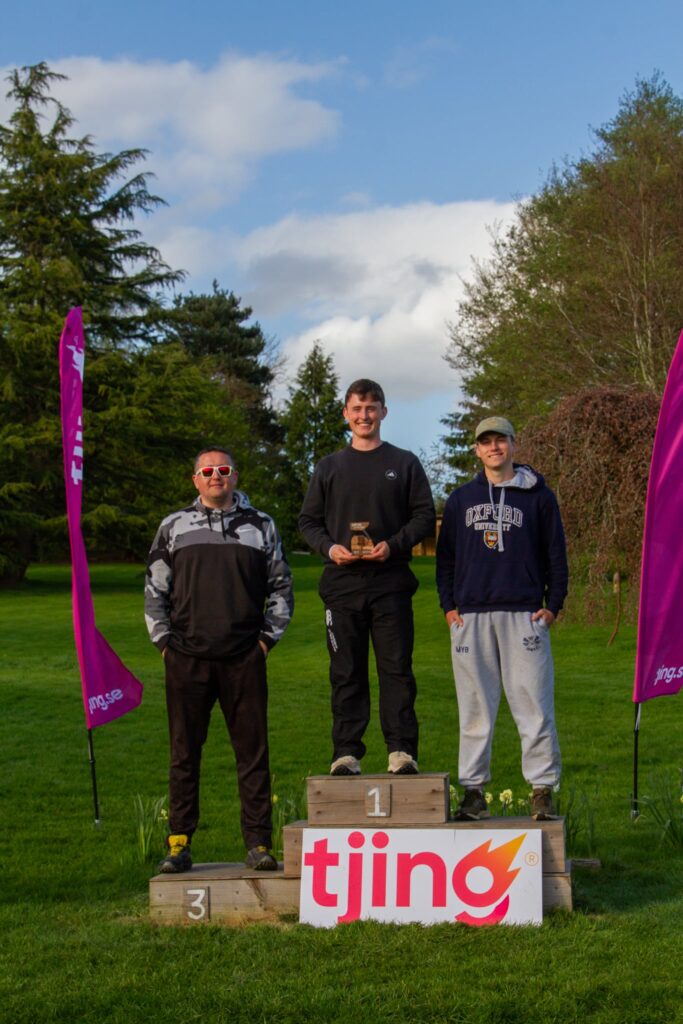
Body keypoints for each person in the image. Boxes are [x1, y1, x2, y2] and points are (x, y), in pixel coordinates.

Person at [145, 446, 293, 873]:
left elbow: (282, 587)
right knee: (184, 753)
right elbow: (155, 590)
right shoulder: (173, 527)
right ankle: (178, 843)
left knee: (252, 753)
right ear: (195, 479)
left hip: (243, 659)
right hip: (186, 660)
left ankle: (259, 843)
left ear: (235, 476)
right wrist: (165, 645)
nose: (216, 476)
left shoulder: (260, 526)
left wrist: (265, 642)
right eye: (207, 471)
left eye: (223, 470)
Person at [299, 379, 435, 776]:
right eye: (357, 409)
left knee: (396, 669)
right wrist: (329, 548)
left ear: (384, 412)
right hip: (341, 587)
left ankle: (401, 752)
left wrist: (393, 545)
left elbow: (424, 516)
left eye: (371, 408)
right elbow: (308, 521)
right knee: (346, 671)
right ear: (346, 414)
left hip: (390, 583)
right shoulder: (329, 467)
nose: (364, 416)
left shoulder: (405, 463)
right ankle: (346, 753)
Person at [436, 416, 568, 821]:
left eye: (501, 440)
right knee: (475, 707)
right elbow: (446, 559)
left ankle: (542, 790)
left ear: (514, 444)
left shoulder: (538, 496)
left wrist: (553, 604)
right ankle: (474, 793)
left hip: (523, 613)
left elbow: (555, 554)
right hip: (471, 616)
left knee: (533, 703)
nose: (494, 448)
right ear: (477, 450)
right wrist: (449, 606)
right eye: (486, 442)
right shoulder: (461, 499)